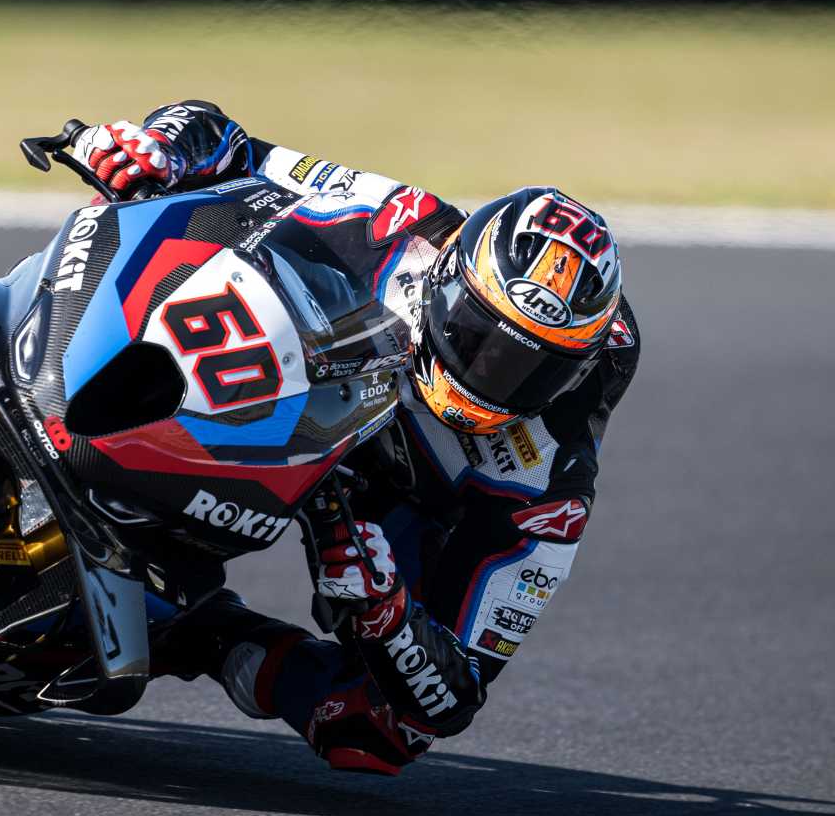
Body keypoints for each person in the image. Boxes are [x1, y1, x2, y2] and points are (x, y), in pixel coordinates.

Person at [82, 103, 642, 775]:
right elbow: (232, 144)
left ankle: (204, 635)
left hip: (378, 507)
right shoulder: (407, 221)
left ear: (577, 369)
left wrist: (387, 611)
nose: (489, 373)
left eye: (531, 368)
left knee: (382, 732)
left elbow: (453, 698)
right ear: (451, 277)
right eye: (477, 335)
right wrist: (159, 148)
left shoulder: (550, 487)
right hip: (285, 377)